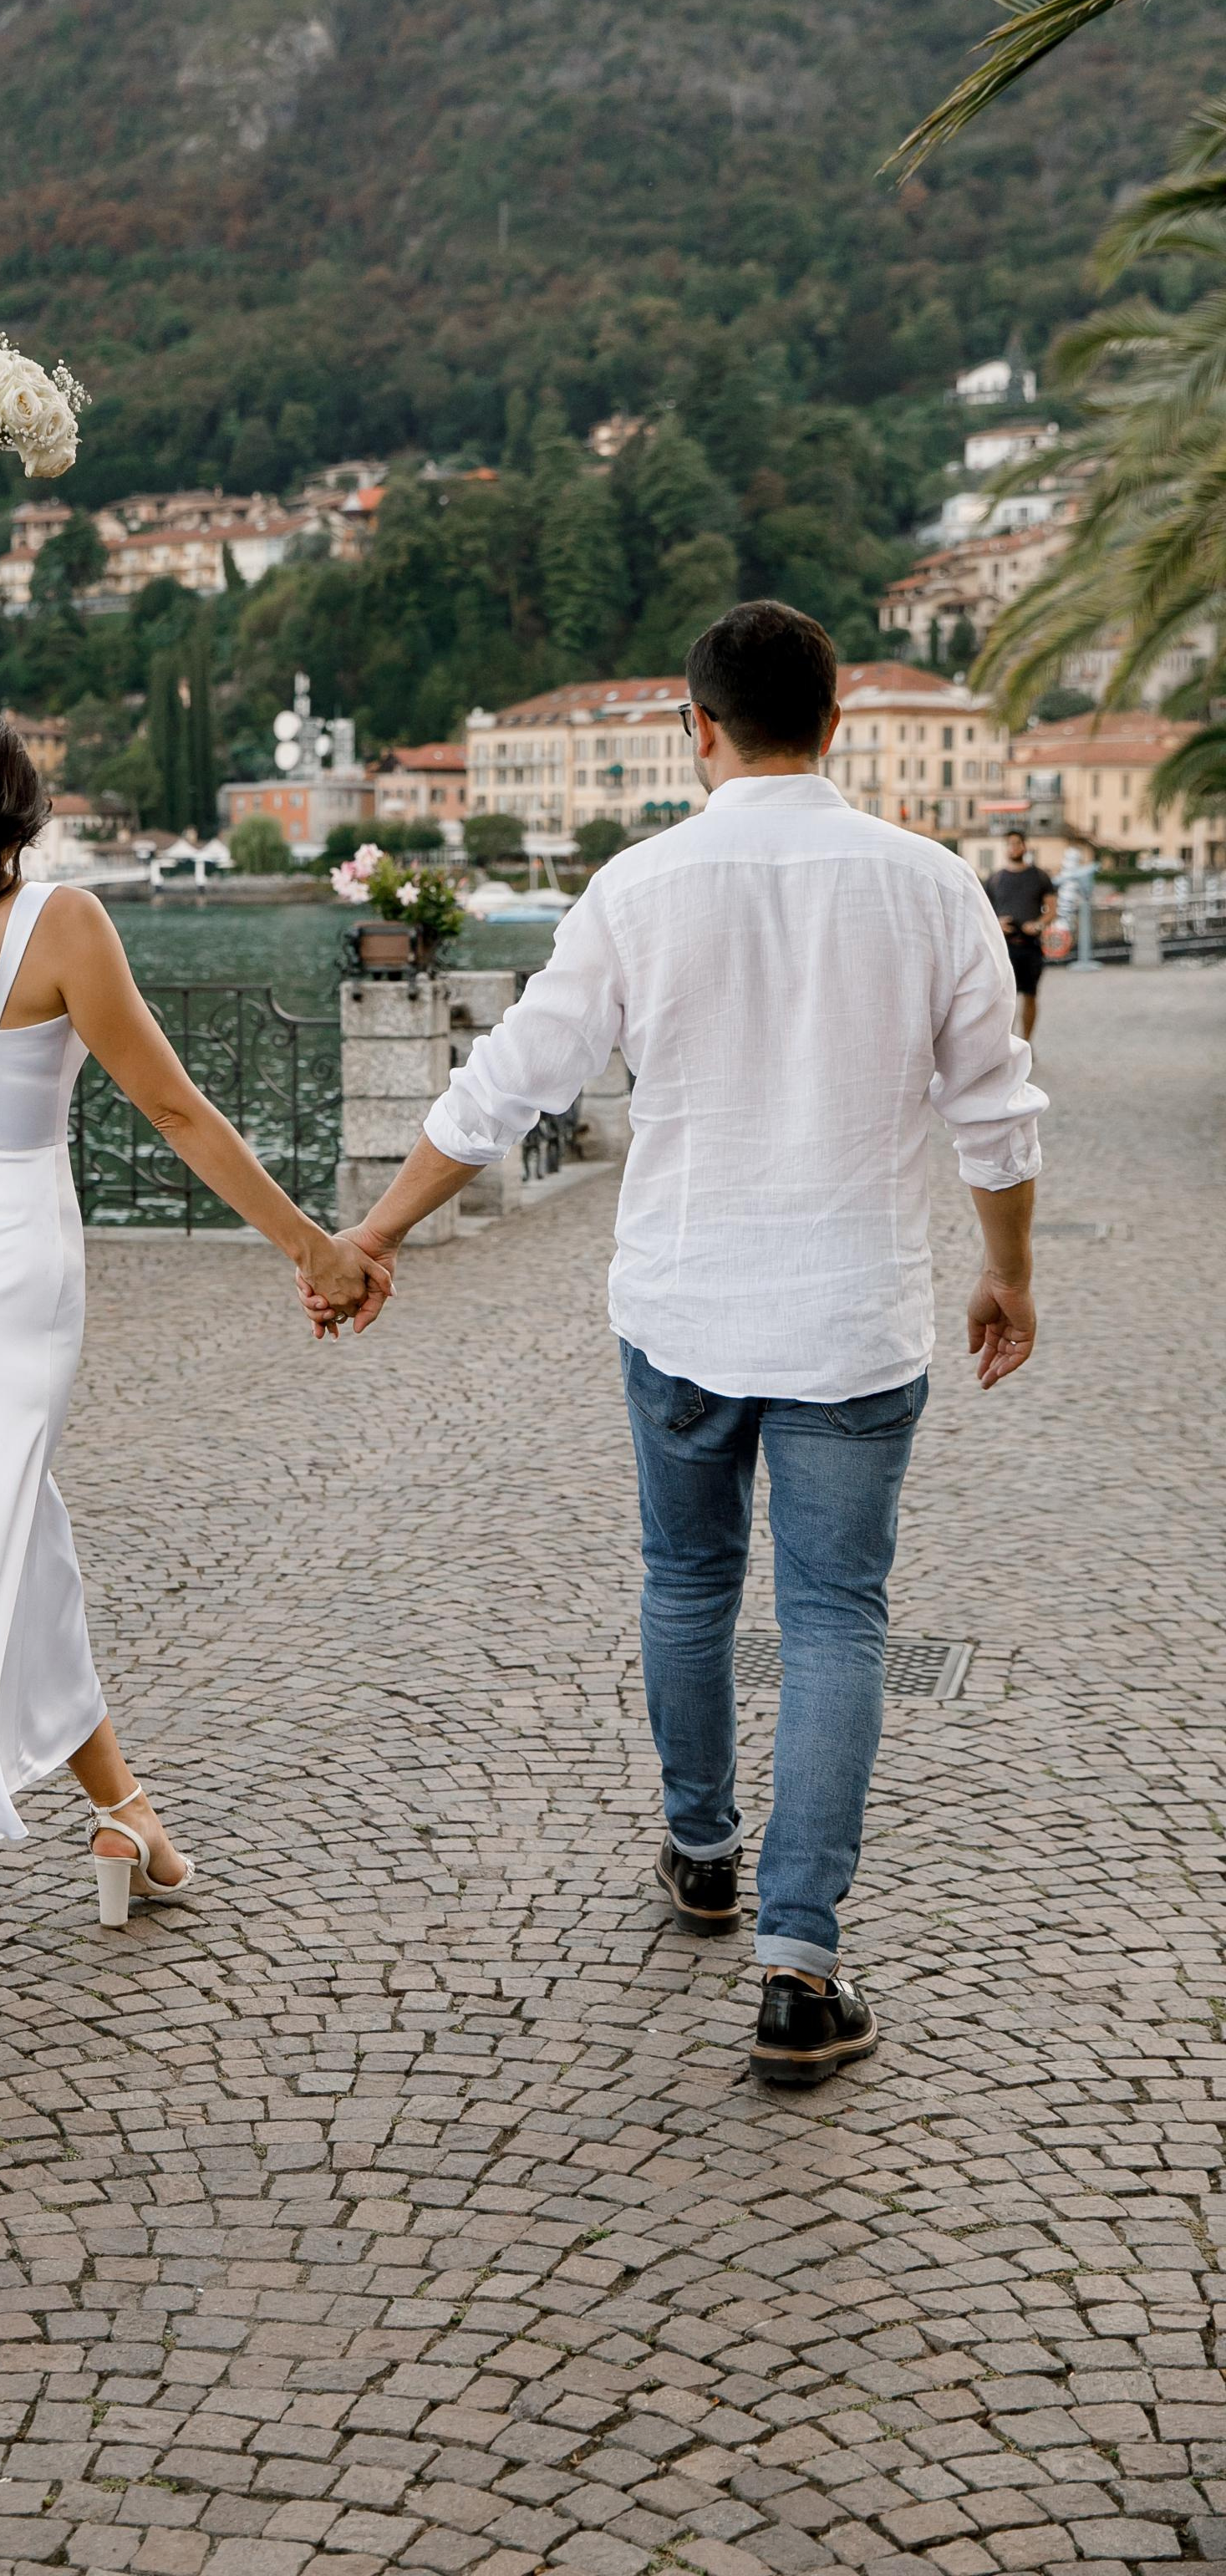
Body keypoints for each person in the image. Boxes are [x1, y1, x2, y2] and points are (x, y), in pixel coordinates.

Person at [303, 601, 1045, 2086]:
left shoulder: (639, 886)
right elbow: (997, 1110)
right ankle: (798, 1965)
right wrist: (1007, 1274)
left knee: (687, 1579)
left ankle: (702, 1849)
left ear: (693, 728)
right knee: (837, 1620)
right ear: (835, 723)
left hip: (687, 1309)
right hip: (853, 1316)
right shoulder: (931, 884)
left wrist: (376, 1232)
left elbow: (508, 1082)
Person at [0, 441, 389, 2067]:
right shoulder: (60, 927)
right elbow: (178, 1116)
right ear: (13, 813)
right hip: (15, 1268)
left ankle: (127, 1824)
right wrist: (315, 1250)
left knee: (2, 1538)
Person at [984, 828, 1056, 1041]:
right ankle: (1005, 1044)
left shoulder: (1039, 877)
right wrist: (997, 923)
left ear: (1025, 846)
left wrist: (1038, 924)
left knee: (1031, 995)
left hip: (1031, 945)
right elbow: (982, 912)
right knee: (1004, 998)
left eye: (1018, 843)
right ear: (1005, 848)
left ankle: (1027, 1042)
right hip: (1004, 947)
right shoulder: (995, 879)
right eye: (1010, 844)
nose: (1014, 847)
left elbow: (1052, 910)